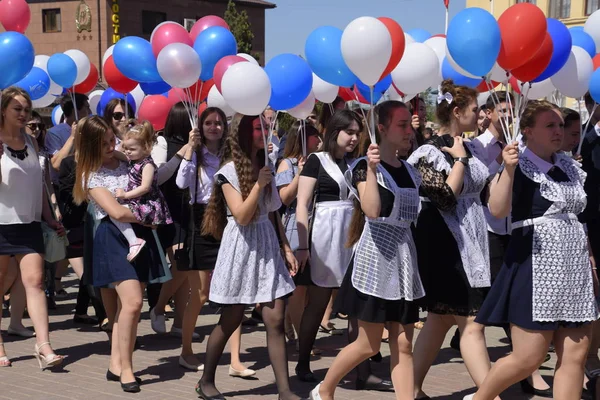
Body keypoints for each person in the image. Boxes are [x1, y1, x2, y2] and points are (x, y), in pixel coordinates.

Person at [471, 100, 599, 400]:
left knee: (575, 355)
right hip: (535, 266)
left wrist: (591, 263)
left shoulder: (569, 166)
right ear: (527, 131)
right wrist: (508, 168)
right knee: (528, 357)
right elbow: (498, 210)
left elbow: (577, 219)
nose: (559, 132)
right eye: (550, 126)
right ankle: (480, 398)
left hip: (574, 269)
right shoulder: (519, 164)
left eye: (560, 126)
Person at [312, 101, 424, 400]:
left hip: (404, 264)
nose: (408, 131)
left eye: (409, 124)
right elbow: (372, 210)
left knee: (402, 345)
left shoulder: (411, 171)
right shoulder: (362, 167)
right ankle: (324, 389)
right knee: (368, 345)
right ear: (382, 129)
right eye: (401, 125)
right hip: (374, 263)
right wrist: (373, 170)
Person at [195, 114, 299, 400]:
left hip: (266, 244)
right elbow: (241, 216)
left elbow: (273, 211)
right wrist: (257, 184)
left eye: (266, 127)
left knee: (275, 318)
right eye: (258, 127)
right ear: (243, 133)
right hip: (241, 246)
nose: (265, 131)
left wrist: (285, 247)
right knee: (232, 318)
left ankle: (284, 390)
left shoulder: (265, 165)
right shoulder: (228, 170)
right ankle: (205, 381)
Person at [407, 80, 493, 399]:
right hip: (445, 244)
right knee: (471, 323)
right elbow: (444, 199)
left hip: (470, 241)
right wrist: (459, 161)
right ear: (457, 112)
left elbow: (483, 193)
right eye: (475, 109)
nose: (480, 114)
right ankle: (489, 394)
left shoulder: (470, 147)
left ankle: (410, 388)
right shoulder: (427, 152)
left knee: (439, 320)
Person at [73, 116, 167, 393]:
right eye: (102, 143)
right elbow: (115, 211)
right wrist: (151, 218)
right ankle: (127, 367)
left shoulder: (128, 157)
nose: (110, 145)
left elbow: (153, 175)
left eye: (110, 140)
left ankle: (116, 363)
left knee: (128, 308)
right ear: (90, 145)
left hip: (139, 235)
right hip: (113, 237)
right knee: (134, 302)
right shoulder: (89, 174)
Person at [175, 107, 253, 376]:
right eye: (208, 122)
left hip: (229, 218)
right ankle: (186, 350)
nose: (214, 127)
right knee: (200, 293)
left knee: (236, 293)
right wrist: (189, 148)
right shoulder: (195, 154)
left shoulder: (231, 154)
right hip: (201, 222)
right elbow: (181, 183)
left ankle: (234, 360)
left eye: (218, 123)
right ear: (200, 126)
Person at [0, 87, 65, 368]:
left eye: (26, 109)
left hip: (29, 224)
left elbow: (37, 182)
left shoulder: (31, 142)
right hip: (1, 225)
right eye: (17, 109)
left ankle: (44, 346)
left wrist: (48, 216)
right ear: (3, 110)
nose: (24, 114)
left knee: (35, 283)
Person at [276, 122, 322, 345]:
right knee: (299, 287)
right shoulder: (287, 164)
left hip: (316, 226)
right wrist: (300, 174)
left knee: (309, 288)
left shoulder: (319, 161)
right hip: (295, 227)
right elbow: (283, 198)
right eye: (315, 136)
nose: (319, 140)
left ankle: (291, 322)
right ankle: (302, 338)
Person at [113, 122, 173, 261]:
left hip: (147, 203)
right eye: (126, 148)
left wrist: (125, 195)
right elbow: (117, 154)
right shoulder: (133, 159)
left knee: (115, 213)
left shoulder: (147, 165)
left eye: (132, 149)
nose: (127, 152)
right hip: (138, 201)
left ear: (146, 148)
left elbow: (145, 187)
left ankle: (134, 242)